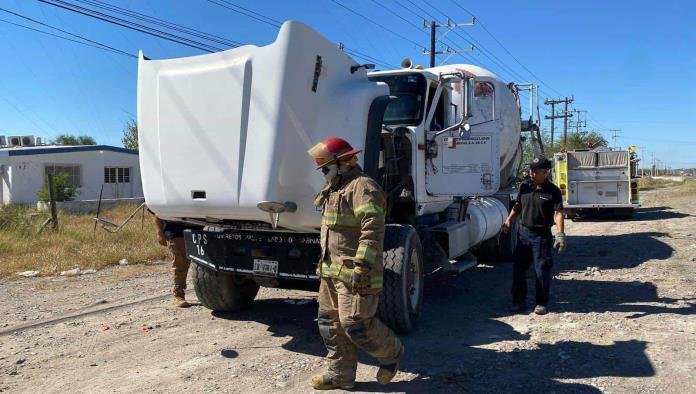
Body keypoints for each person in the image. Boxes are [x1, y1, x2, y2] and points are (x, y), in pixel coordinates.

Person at [307, 137, 404, 390]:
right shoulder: (334, 189)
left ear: (342, 163)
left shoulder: (363, 187)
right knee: (330, 324)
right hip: (330, 272)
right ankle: (341, 375)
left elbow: (372, 230)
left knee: (355, 324)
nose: (323, 172)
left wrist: (362, 265)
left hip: (356, 273)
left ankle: (391, 352)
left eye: (325, 167)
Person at [503, 157, 566, 315]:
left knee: (541, 271)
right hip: (523, 234)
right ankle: (518, 302)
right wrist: (509, 220)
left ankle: (541, 303)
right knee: (519, 270)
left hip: (541, 237)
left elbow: (558, 213)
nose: (531, 172)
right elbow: (518, 206)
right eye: (530, 169)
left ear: (545, 172)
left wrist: (560, 234)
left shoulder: (553, 191)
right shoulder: (525, 186)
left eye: (535, 170)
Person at [152, 213, 192, 308]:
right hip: (176, 232)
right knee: (180, 264)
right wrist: (159, 232)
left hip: (200, 228)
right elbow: (158, 213)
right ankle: (179, 295)